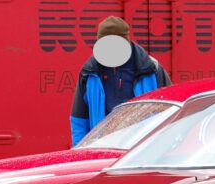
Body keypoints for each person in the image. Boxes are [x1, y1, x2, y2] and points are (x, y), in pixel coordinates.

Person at [70, 15, 171, 145]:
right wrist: (80, 151)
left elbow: (170, 111)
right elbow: (79, 119)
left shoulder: (151, 69)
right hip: (104, 147)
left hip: (144, 147)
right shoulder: (89, 72)